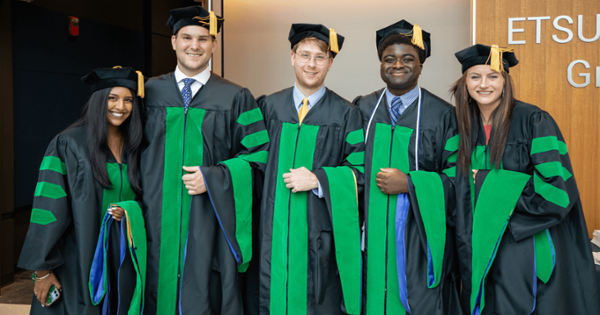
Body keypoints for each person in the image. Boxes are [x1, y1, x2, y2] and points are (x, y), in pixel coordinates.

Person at [450, 44, 600, 315]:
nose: (484, 84)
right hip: (474, 241)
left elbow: (557, 192)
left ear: (505, 81)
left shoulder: (533, 120)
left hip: (521, 242)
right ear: (465, 82)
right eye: (475, 77)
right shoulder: (458, 125)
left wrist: (486, 182)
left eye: (493, 76)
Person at [141, 5, 269, 315]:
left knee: (205, 291)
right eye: (187, 37)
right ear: (173, 41)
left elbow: (259, 157)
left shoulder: (236, 97)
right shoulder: (148, 93)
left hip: (209, 219)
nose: (194, 46)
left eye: (203, 38)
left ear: (213, 44)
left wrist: (215, 177)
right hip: (152, 217)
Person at [353, 20, 463, 314]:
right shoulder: (361, 109)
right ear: (380, 64)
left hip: (420, 238)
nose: (397, 64)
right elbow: (346, 166)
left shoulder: (444, 116)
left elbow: (459, 178)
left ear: (421, 66)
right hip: (369, 236)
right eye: (389, 59)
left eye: (407, 58)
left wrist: (410, 184)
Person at [18, 66, 146, 314]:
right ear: (99, 100)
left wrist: (131, 210)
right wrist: (43, 271)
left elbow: (149, 198)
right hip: (78, 258)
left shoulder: (138, 146)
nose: (121, 106)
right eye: (112, 98)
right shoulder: (69, 143)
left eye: (128, 100)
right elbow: (48, 208)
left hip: (123, 257)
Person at [257, 23, 364, 315]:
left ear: (330, 63)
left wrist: (319, 179)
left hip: (318, 236)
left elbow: (360, 171)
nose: (311, 64)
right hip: (271, 231)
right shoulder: (268, 107)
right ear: (292, 57)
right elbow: (251, 164)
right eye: (304, 55)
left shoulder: (347, 114)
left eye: (320, 57)